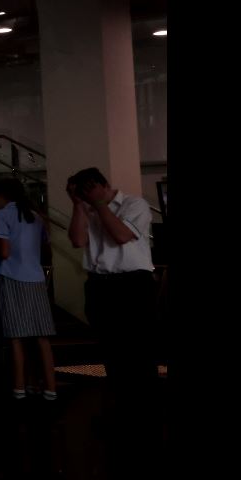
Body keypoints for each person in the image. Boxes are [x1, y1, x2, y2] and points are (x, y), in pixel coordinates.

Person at [65, 167, 159, 394]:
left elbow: (121, 236)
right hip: (99, 285)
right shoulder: (87, 208)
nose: (87, 196)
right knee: (109, 348)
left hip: (133, 285)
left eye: (90, 190)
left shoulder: (135, 204)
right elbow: (77, 240)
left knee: (138, 349)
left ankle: (146, 402)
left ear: (103, 185)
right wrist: (78, 205)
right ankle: (121, 399)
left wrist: (99, 204)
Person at [0, 178, 57, 401]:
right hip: (36, 279)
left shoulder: (1, 216)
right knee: (41, 337)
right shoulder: (36, 216)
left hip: (11, 277)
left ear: (2, 196)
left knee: (16, 336)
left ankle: (18, 388)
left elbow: (5, 252)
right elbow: (46, 251)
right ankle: (49, 387)